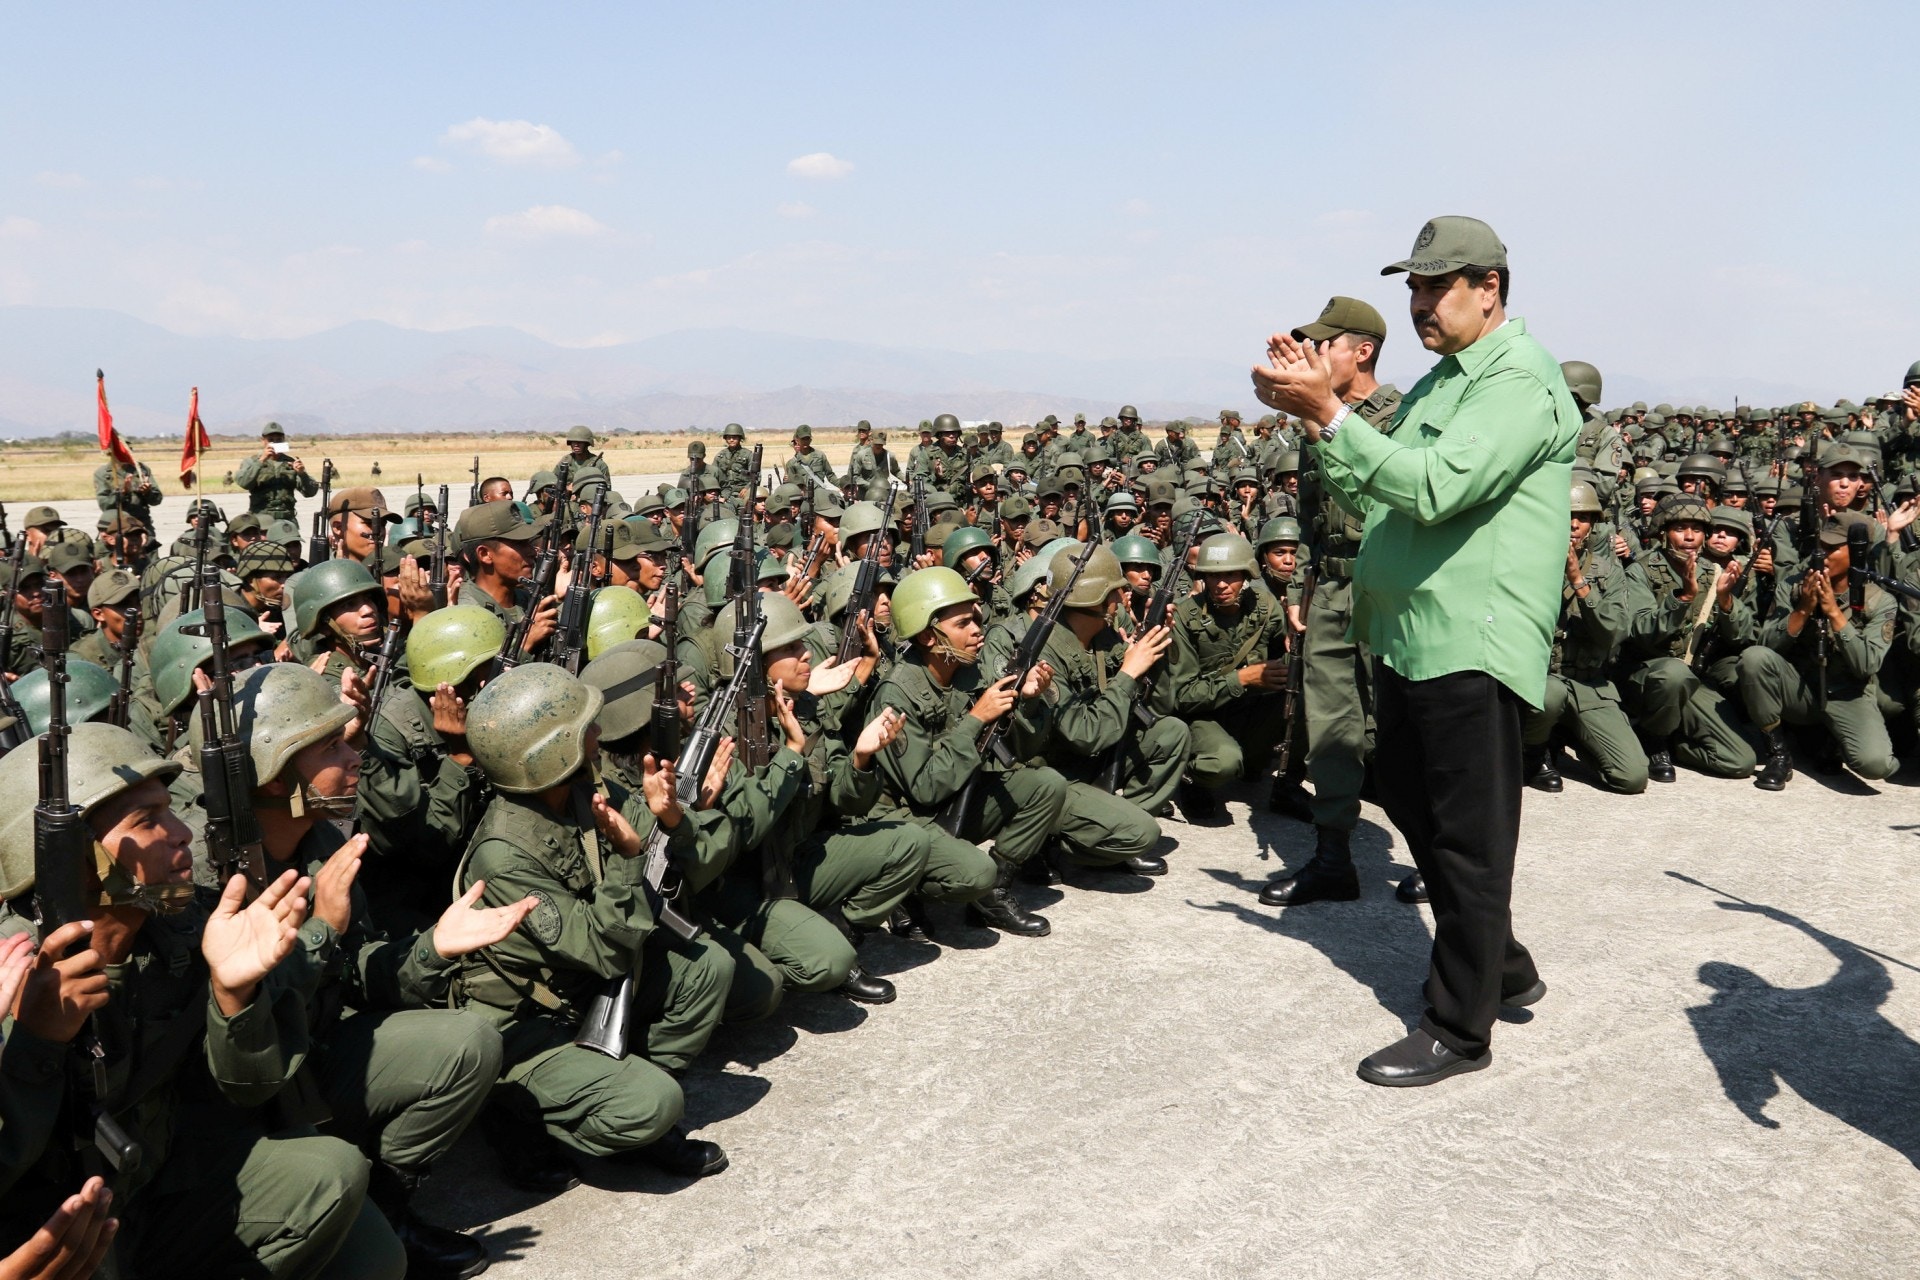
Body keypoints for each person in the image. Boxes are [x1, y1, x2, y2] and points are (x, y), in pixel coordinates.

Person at [1254, 215, 1575, 1087]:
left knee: (1469, 844)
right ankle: (1499, 959)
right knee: (1400, 789)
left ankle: (1459, 1028)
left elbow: (1432, 490)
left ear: (1490, 289)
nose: (1419, 302)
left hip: (1471, 640)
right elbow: (1373, 481)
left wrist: (1330, 411)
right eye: (1415, 287)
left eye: (1437, 287)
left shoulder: (1518, 383)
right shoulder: (1444, 382)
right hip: (1408, 638)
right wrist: (1319, 421)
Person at [1254, 298, 1401, 897]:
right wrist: (1301, 590)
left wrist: (1318, 414)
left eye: (1325, 345)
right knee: (1333, 727)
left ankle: (1439, 865)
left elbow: (1382, 499)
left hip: (1394, 588)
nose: (1313, 357)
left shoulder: (1406, 416)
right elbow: (1313, 517)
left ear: (1362, 351)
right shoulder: (1317, 420)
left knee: (1407, 726)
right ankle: (1334, 857)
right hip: (1334, 589)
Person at [234, 423, 320, 523]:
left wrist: (302, 474)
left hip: (286, 520)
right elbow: (243, 483)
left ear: (283, 440)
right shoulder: (251, 462)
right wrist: (261, 461)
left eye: (279, 440)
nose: (275, 442)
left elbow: (310, 492)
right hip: (260, 519)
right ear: (263, 441)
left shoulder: (291, 463)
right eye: (271, 440)